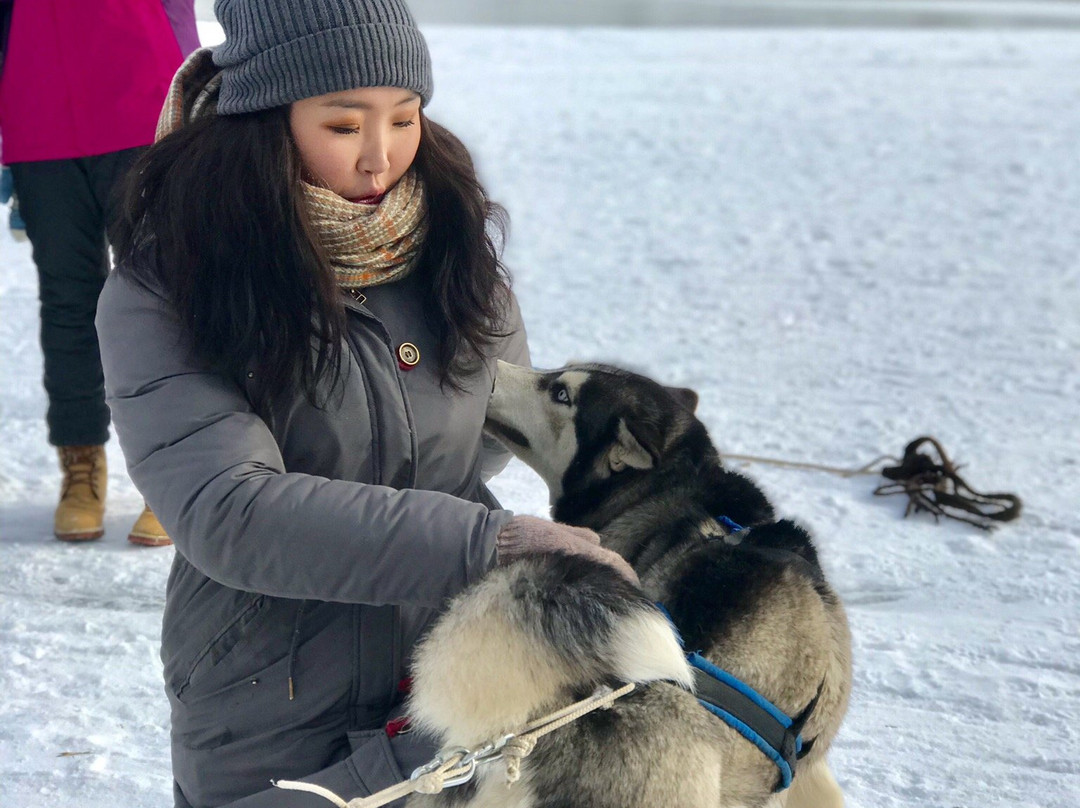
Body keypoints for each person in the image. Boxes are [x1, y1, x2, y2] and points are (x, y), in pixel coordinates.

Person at [98, 1, 635, 805]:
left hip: (455, 676)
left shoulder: (449, 239)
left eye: (405, 117)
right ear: (267, 120)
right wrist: (497, 542)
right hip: (271, 693)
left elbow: (485, 434)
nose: (381, 156)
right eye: (343, 125)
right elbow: (228, 510)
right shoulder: (169, 281)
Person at [0, 0, 198, 546]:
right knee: (67, 298)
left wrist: (191, 100)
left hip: (139, 94)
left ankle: (176, 473)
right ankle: (79, 463)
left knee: (156, 293)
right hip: (37, 105)